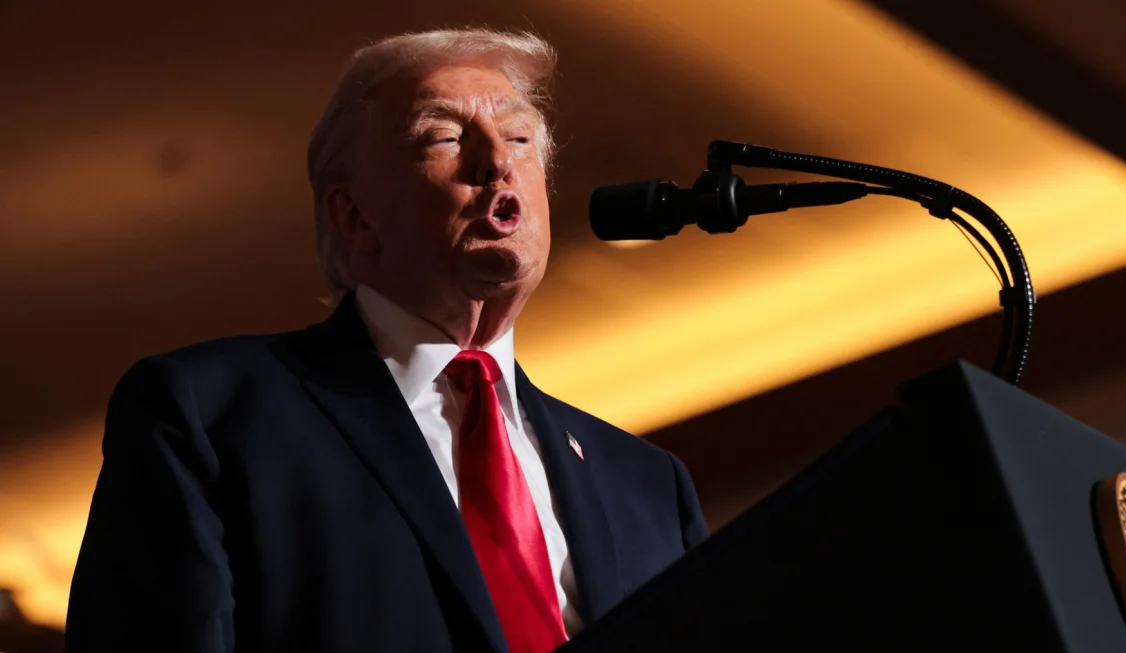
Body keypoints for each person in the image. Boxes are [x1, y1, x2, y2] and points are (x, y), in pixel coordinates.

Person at [65, 28, 708, 653]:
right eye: (445, 138)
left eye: (519, 137)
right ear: (354, 216)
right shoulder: (212, 414)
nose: (498, 161)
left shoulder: (647, 484)